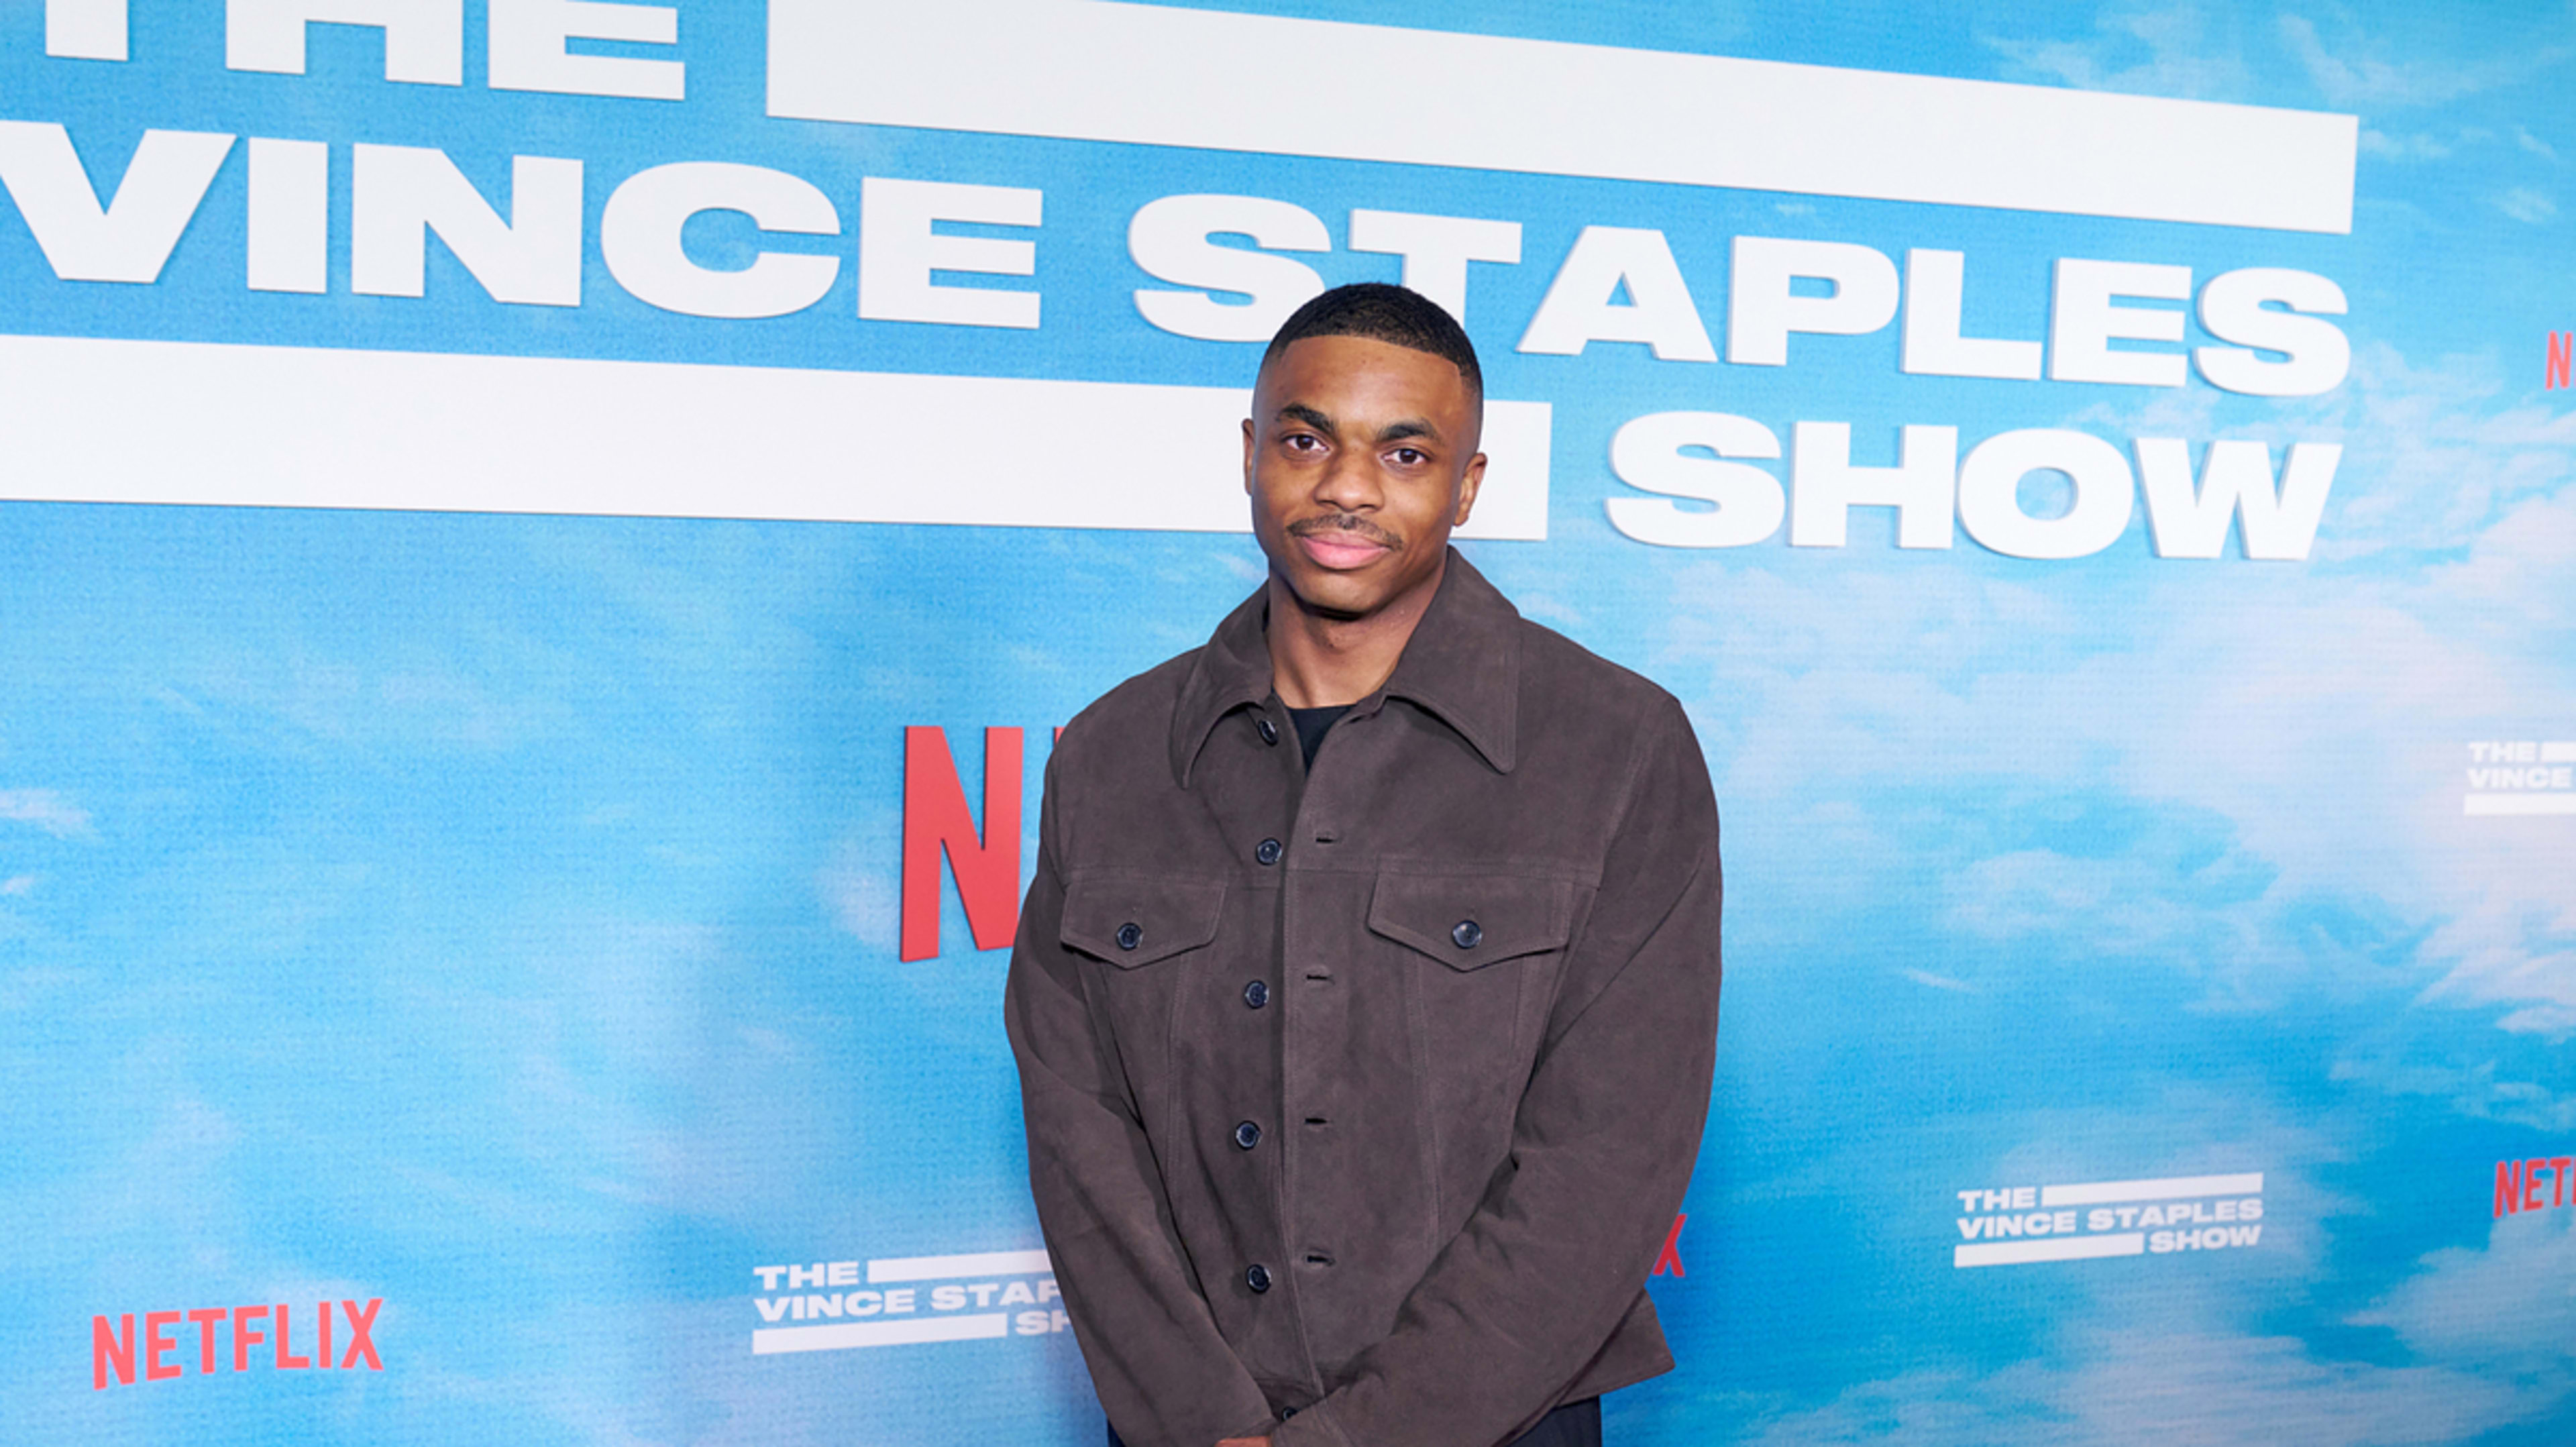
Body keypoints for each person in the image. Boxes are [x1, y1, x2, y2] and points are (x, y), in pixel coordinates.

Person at [1004, 282, 1723, 1447]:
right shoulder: (1110, 757)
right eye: (1306, 438)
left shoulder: (1619, 747)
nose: (1347, 485)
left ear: (1468, 484)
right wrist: (1199, 1420)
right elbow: (1080, 1135)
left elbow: (1606, 1159)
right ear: (1250, 455)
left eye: (1404, 450)